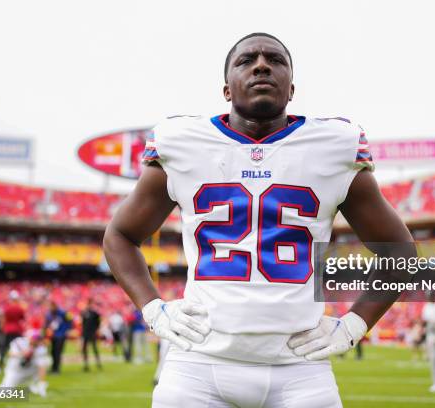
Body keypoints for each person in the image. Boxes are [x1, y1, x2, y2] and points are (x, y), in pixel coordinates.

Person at [103, 32, 414, 407]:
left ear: (292, 87)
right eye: (246, 60)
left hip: (299, 369)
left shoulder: (335, 146)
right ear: (226, 90)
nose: (262, 65)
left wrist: (354, 324)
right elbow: (120, 234)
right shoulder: (182, 142)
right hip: (197, 366)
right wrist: (152, 308)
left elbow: (402, 254)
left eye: (276, 60)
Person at [0, 330, 49, 397]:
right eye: (35, 339)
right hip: (15, 371)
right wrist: (22, 354)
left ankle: (34, 384)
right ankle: (4, 386)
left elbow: (42, 366)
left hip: (30, 370)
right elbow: (10, 354)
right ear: (30, 338)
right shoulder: (19, 342)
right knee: (5, 393)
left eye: (38, 339)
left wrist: (42, 382)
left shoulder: (41, 348)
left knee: (47, 361)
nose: (37, 341)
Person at [0, 290, 24, 374]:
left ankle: (0, 365)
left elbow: (4, 319)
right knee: (19, 348)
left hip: (8, 330)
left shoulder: (7, 308)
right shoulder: (19, 308)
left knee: (4, 348)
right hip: (17, 330)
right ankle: (20, 365)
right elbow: (22, 318)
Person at [44, 301, 71, 374]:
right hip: (52, 336)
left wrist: (66, 330)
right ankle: (53, 367)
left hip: (60, 335)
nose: (51, 308)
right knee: (52, 352)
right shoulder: (49, 314)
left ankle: (57, 369)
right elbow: (46, 325)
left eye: (52, 306)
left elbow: (70, 321)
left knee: (58, 352)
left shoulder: (63, 313)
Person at [81, 298, 102, 371]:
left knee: (94, 348)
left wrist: (96, 330)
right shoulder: (84, 312)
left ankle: (98, 363)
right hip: (86, 333)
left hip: (92, 333)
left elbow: (98, 323)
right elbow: (83, 323)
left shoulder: (95, 313)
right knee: (85, 349)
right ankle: (86, 364)